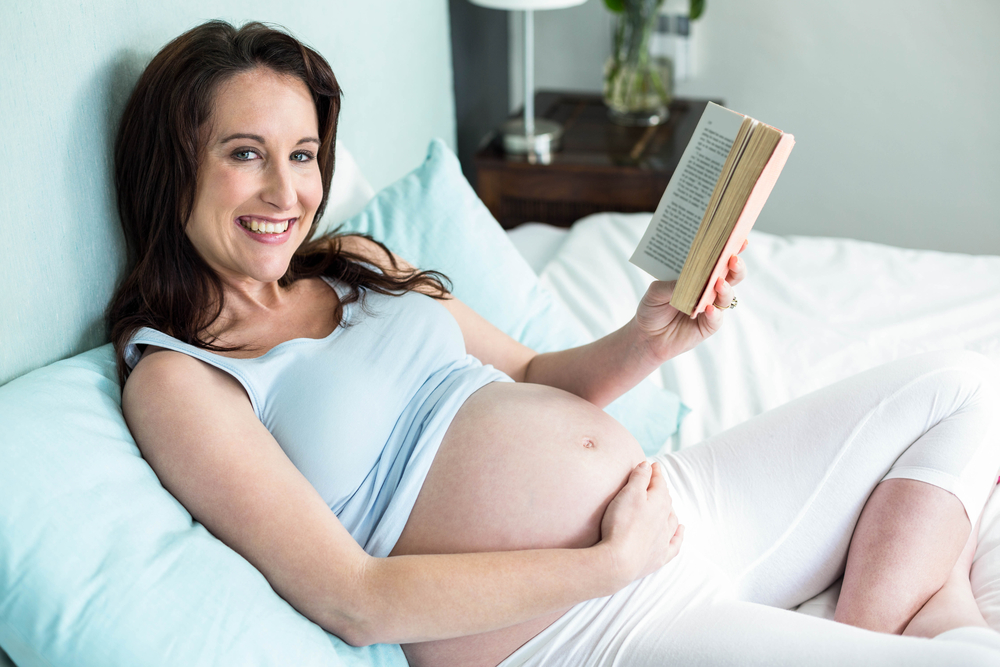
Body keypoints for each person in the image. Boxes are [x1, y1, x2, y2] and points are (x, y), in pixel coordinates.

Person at [109, 20, 1000, 667]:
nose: (286, 190)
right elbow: (355, 599)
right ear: (173, 164)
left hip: (670, 506)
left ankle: (882, 627)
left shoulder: (353, 260)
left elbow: (534, 373)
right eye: (244, 153)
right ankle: (928, 622)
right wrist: (606, 564)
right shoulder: (182, 377)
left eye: (302, 154)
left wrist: (648, 340)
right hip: (579, 623)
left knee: (964, 383)